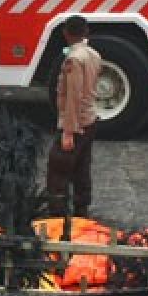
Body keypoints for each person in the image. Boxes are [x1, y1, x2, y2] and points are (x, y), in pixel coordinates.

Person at [46, 15, 101, 218]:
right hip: (90, 120)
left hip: (76, 123)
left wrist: (68, 131)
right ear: (86, 32)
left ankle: (57, 216)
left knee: (58, 171)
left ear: (65, 33)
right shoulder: (93, 54)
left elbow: (73, 96)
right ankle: (81, 211)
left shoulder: (73, 60)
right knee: (81, 169)